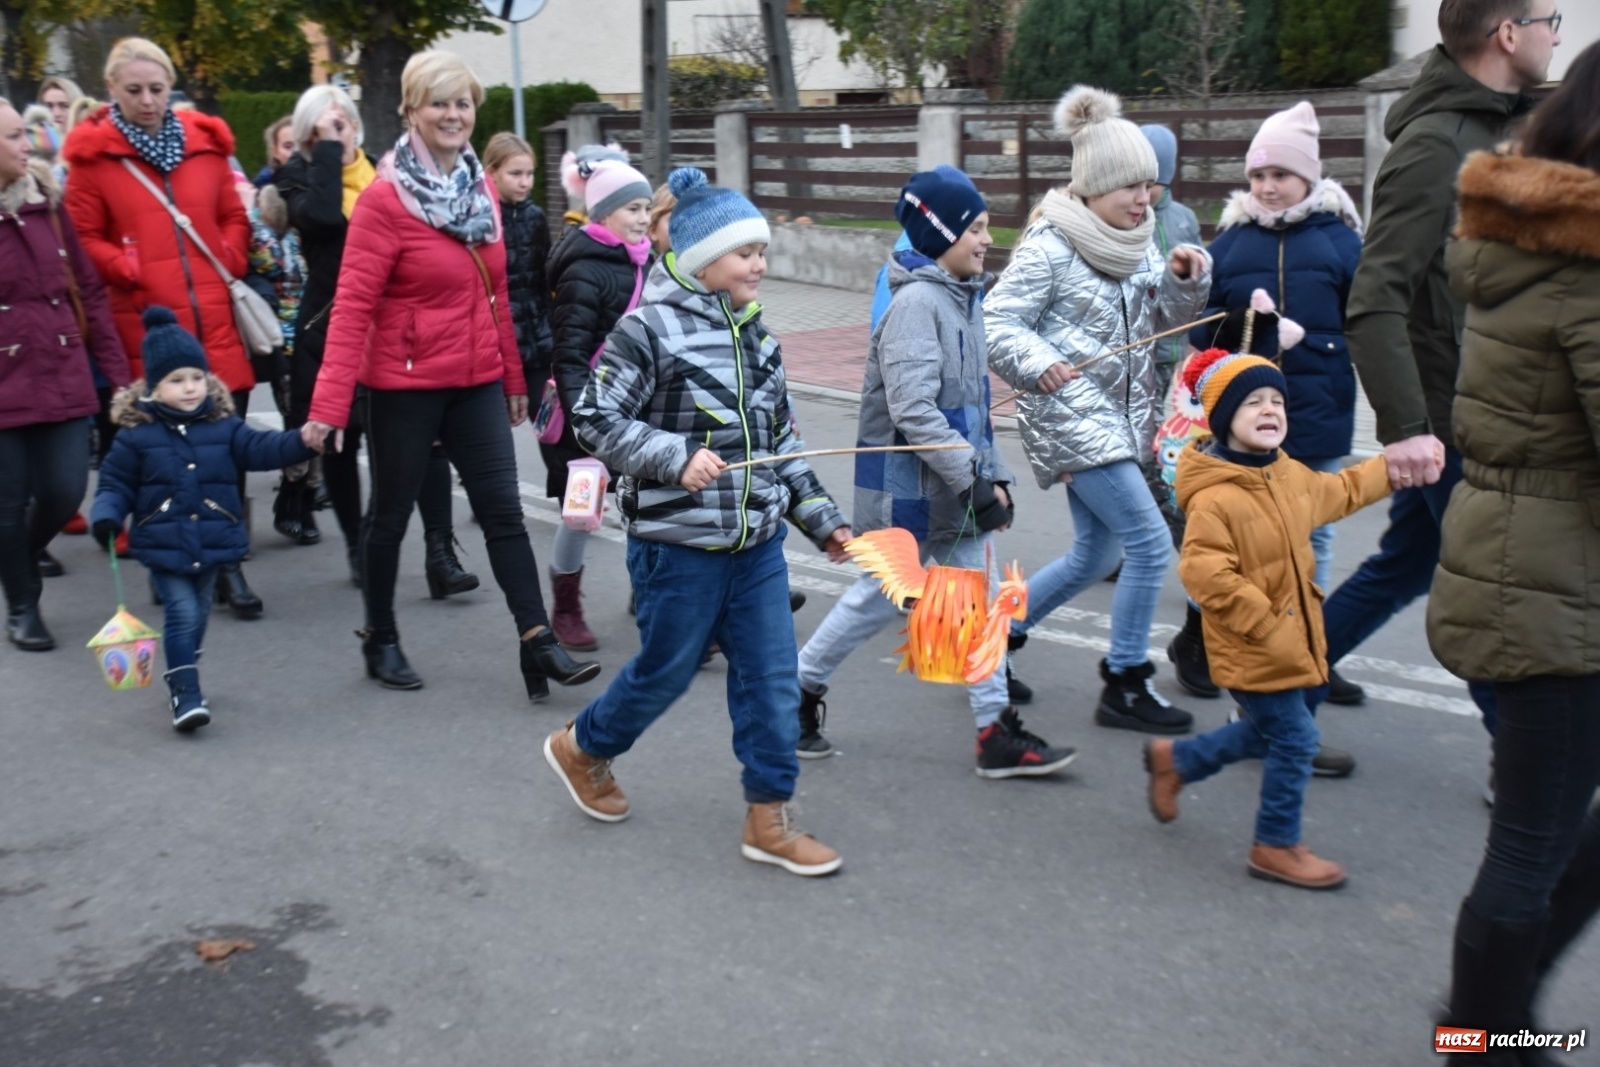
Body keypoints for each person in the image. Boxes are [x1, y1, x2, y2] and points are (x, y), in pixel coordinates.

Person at [546, 166, 851, 877]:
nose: (760, 264)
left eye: (762, 251)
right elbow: (594, 418)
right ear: (698, 257)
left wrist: (822, 522)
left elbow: (782, 448)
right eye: (745, 251)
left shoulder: (762, 339)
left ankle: (769, 815)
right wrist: (675, 455)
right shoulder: (644, 330)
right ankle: (584, 747)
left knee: (773, 677)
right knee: (667, 670)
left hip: (758, 545)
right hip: (677, 546)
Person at [303, 50, 599, 700]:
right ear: (412, 111)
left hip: (474, 382)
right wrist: (328, 405)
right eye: (439, 102)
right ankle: (379, 634)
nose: (453, 114)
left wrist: (514, 378)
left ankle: (536, 639)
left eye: (462, 102)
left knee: (503, 512)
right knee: (390, 515)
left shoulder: (479, 190)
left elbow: (492, 292)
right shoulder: (384, 201)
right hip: (403, 387)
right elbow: (352, 305)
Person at [1313, 0, 1560, 750]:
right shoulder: (1435, 148)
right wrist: (1408, 429)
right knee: (1495, 595)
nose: (1558, 33)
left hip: (1487, 403)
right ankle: (1529, 768)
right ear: (1508, 34)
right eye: (1552, 18)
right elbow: (1376, 295)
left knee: (1404, 566)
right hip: (1451, 419)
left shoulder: (1501, 127)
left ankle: (1277, 681)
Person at [1429, 43, 1600, 1057]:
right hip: (1548, 582)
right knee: (1527, 844)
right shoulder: (1582, 270)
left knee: (1544, 837)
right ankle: (1481, 1033)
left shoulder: (1534, 246)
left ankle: (1494, 1004)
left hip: (1534, 560)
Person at [793, 167, 1077, 777]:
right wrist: (972, 477)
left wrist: (993, 477)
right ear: (941, 232)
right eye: (975, 227)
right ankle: (798, 688)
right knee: (879, 598)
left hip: (954, 490)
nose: (986, 239)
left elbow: (974, 408)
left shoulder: (961, 299)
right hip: (910, 498)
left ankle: (994, 732)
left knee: (975, 600)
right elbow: (913, 410)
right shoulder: (918, 305)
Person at [985, 85, 1210, 733]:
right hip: (1071, 417)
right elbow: (997, 322)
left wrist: (1183, 281)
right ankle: (1125, 683)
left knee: (1094, 553)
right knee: (1146, 543)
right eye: (1132, 187)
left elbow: (1165, 324)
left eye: (1151, 185)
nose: (1147, 199)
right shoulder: (1050, 244)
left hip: (1125, 419)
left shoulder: (1137, 241)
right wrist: (1036, 361)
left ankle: (994, 634)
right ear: (1096, 185)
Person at [1143, 348, 1389, 889]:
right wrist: (1266, 623)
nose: (1269, 408)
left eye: (1276, 400)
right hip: (1255, 644)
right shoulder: (1215, 497)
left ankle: (1179, 761)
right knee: (1297, 739)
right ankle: (1275, 844)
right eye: (1252, 401)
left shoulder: (1286, 474)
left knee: (1265, 734)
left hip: (1292, 640)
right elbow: (1206, 576)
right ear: (1224, 418)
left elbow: (1340, 491)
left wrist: (1390, 469)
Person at [1165, 102, 1367, 718]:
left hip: (1319, 412)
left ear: (1309, 176)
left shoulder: (1341, 243)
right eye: (1258, 176)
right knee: (1243, 551)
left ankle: (1313, 656)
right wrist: (1199, 293)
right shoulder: (1230, 244)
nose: (1268, 187)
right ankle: (1216, 655)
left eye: (1280, 173)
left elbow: (1369, 322)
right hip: (1244, 426)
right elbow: (1198, 335)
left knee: (1314, 546)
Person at [63, 37, 266, 617]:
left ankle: (228, 565)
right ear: (112, 91)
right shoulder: (93, 159)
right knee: (163, 460)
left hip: (216, 321)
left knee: (225, 450)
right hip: (147, 326)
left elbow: (233, 212)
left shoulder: (205, 145)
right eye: (134, 91)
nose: (148, 101)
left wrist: (227, 253)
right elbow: (83, 239)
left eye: (157, 89)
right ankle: (168, 560)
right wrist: (129, 267)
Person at [273, 84, 473, 594]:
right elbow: (320, 218)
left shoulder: (390, 173)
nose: (341, 129)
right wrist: (328, 153)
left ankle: (439, 552)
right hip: (332, 328)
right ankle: (358, 544)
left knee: (424, 442)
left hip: (398, 328)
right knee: (342, 445)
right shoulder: (297, 178)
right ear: (310, 132)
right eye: (327, 124)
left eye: (345, 122)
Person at [90, 308, 313, 731]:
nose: (190, 388)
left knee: (199, 613)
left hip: (214, 537)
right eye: (176, 380)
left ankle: (182, 662)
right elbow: (114, 485)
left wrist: (303, 441)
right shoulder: (137, 435)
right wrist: (106, 516)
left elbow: (264, 449)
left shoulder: (224, 426)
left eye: (196, 377)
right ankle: (185, 691)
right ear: (154, 387)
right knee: (182, 611)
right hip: (163, 541)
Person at [0, 106, 131, 650]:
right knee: (6, 502)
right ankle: (23, 604)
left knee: (64, 490)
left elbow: (90, 293)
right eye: (13, 137)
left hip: (61, 369)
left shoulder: (48, 205)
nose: (28, 144)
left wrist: (119, 375)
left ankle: (18, 558)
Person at [540, 146, 654, 651]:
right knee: (581, 511)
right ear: (604, 211)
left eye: (647, 209)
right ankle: (565, 605)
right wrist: (588, 422)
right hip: (585, 416)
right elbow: (567, 356)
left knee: (647, 502)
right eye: (633, 209)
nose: (643, 219)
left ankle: (649, 593)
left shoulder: (643, 263)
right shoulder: (584, 268)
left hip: (634, 411)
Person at [483, 132, 553, 451]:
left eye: (529, 174)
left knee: (550, 424)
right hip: (495, 341)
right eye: (515, 174)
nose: (524, 182)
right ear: (491, 172)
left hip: (537, 340)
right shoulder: (480, 218)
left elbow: (544, 279)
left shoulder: (535, 217)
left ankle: (570, 493)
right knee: (493, 433)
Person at [254, 116, 293, 188]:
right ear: (275, 151)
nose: (295, 152)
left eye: (301, 145)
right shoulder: (264, 181)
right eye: (288, 147)